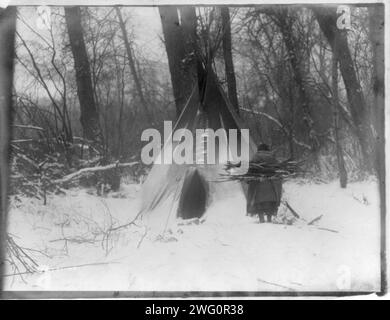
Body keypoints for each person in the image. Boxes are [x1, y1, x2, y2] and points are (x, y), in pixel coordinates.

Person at [247, 143, 282, 223]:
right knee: (270, 202)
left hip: (259, 183)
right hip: (271, 184)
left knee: (259, 203)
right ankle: (269, 219)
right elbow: (278, 169)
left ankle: (261, 219)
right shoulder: (272, 157)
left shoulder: (256, 157)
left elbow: (251, 170)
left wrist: (249, 179)